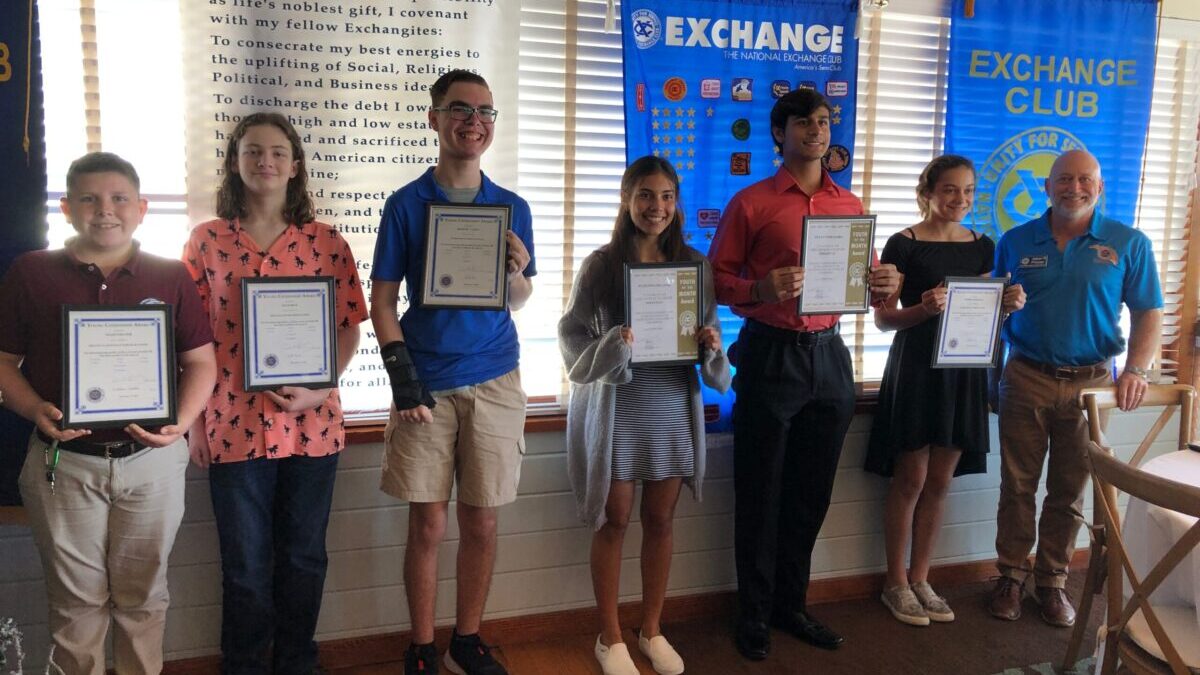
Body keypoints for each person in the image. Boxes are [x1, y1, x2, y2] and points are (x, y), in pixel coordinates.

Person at [0, 152, 217, 674]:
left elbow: (202, 364)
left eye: (119, 198)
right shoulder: (32, 272)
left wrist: (179, 426)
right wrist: (35, 410)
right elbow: (3, 364)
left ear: (141, 208)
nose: (105, 211)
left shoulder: (171, 276)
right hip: (64, 463)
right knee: (76, 606)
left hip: (151, 463)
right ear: (67, 207)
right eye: (89, 199)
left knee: (145, 598)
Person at [708, 88, 900, 660]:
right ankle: (755, 613)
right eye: (802, 123)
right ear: (779, 133)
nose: (816, 131)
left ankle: (792, 605)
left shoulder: (850, 204)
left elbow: (860, 280)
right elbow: (716, 281)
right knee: (760, 491)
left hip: (830, 356)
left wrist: (883, 284)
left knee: (811, 492)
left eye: (823, 122)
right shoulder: (752, 202)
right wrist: (757, 290)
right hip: (770, 353)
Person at [182, 112, 368, 674]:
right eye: (253, 151)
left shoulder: (327, 243)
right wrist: (192, 423)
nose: (265, 161)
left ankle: (296, 664)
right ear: (236, 162)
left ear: (295, 166)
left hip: (313, 428)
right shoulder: (205, 242)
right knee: (243, 567)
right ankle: (242, 666)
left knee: (304, 559)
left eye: (278, 152)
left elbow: (349, 327)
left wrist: (321, 387)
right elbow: (188, 342)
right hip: (230, 427)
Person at [370, 69, 536, 675]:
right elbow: (382, 303)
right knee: (429, 521)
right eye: (460, 109)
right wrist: (402, 377)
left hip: (495, 375)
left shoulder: (512, 207)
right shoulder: (406, 205)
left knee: (483, 518)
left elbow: (516, 300)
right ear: (434, 118)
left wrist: (517, 272)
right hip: (426, 381)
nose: (474, 120)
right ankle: (421, 646)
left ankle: (467, 639)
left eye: (486, 111)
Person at [559, 156, 731, 675]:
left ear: (676, 204)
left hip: (672, 407)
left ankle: (651, 629)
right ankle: (609, 637)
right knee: (614, 519)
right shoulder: (601, 265)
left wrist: (710, 345)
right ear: (626, 199)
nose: (656, 207)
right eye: (645, 195)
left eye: (666, 197)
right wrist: (612, 345)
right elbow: (571, 337)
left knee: (661, 519)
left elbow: (711, 346)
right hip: (620, 409)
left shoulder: (694, 267)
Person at [988, 149, 1162, 627]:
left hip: (1093, 383)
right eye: (1064, 179)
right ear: (1047, 186)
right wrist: (1003, 304)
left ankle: (1053, 581)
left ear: (1100, 188)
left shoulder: (1129, 243)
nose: (1074, 188)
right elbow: (987, 306)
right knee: (1017, 485)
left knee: (1069, 489)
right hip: (1025, 376)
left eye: (1085, 180)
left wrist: (1136, 370)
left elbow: (1149, 310)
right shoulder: (1016, 240)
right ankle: (1011, 576)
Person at [865, 155, 1026, 626]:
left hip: (964, 373)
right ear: (928, 192)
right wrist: (922, 309)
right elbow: (882, 318)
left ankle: (921, 577)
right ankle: (894, 582)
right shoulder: (903, 243)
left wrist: (1009, 305)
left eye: (969, 191)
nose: (960, 199)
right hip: (916, 370)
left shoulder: (984, 246)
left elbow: (985, 310)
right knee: (911, 479)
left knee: (939, 482)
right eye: (951, 189)